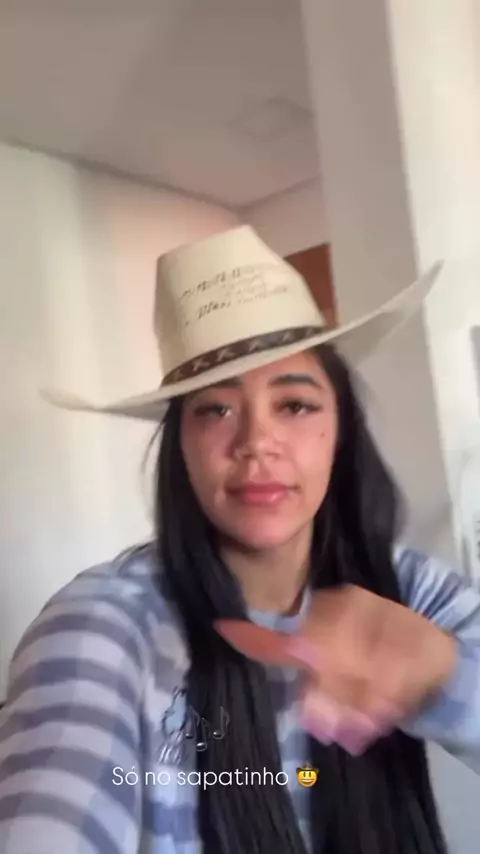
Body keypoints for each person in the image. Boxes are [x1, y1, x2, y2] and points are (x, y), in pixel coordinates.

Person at [0, 225, 479, 854]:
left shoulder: (413, 591)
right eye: (214, 409)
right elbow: (56, 802)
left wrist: (442, 671)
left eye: (295, 405)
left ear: (341, 431)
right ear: (181, 448)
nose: (256, 442)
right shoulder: (104, 624)